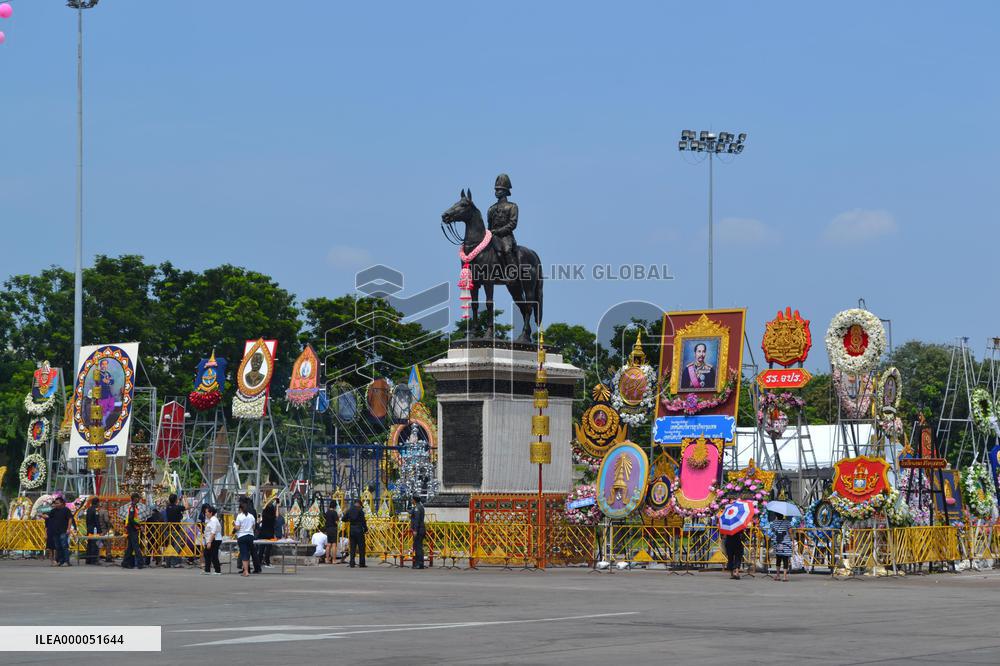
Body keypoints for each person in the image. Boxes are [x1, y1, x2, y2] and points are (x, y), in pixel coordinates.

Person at [487, 173, 519, 271]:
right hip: (493, 236)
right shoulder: (491, 209)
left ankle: (512, 271)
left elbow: (513, 223)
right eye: (496, 189)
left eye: (499, 189)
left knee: (506, 250)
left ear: (505, 191)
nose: (496, 191)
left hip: (506, 236)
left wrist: (499, 231)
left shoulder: (512, 206)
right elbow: (489, 225)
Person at [47, 496, 75, 567]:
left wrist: (68, 529)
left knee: (64, 546)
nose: (56, 504)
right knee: (57, 547)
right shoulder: (53, 511)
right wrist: (41, 515)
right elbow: (48, 517)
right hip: (55, 531)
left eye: (57, 503)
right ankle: (60, 561)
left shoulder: (66, 510)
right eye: (55, 503)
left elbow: (70, 519)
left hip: (63, 531)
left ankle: (66, 561)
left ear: (62, 503)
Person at [122, 493, 145, 569]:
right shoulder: (132, 507)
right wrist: (139, 525)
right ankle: (140, 563)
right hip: (132, 529)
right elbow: (131, 520)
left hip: (133, 528)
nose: (139, 499)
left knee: (130, 548)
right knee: (136, 546)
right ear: (135, 498)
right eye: (138, 498)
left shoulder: (134, 507)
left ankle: (125, 562)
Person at [234, 499, 256, 577]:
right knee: (248, 553)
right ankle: (246, 569)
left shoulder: (239, 516)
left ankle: (246, 571)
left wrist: (234, 526)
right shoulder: (251, 516)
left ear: (241, 509)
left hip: (242, 536)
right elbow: (253, 527)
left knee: (244, 554)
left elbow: (237, 528)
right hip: (250, 536)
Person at [343, 498, 367, 568]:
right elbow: (363, 521)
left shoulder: (349, 510)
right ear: (359, 504)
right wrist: (365, 529)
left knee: (352, 547)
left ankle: (352, 563)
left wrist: (349, 520)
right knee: (361, 547)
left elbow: (343, 519)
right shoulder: (360, 511)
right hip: (359, 530)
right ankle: (362, 563)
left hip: (352, 530)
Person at [771, 513, 794, 582]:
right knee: (785, 560)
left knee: (778, 559)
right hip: (786, 543)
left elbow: (772, 531)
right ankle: (784, 576)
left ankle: (778, 575)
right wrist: (792, 539)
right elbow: (790, 532)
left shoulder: (774, 523)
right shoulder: (787, 522)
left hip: (777, 543)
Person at [165, 493, 184, 568]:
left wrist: (178, 501)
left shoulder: (168, 507)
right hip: (177, 529)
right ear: (176, 500)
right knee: (178, 545)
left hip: (169, 528)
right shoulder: (178, 508)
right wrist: (184, 498)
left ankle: (168, 562)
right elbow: (187, 507)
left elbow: (174, 506)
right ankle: (175, 562)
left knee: (169, 545)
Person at [201, 505, 222, 575]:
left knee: (213, 554)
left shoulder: (213, 520)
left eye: (206, 512)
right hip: (212, 539)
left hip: (215, 539)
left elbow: (213, 532)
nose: (205, 513)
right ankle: (207, 570)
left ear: (211, 512)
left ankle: (217, 570)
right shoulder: (211, 520)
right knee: (207, 553)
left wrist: (209, 542)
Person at [257, 501, 277, 568]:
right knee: (268, 548)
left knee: (261, 548)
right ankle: (267, 561)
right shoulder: (273, 517)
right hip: (270, 533)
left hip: (263, 533)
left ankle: (259, 561)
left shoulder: (264, 514)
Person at [409, 494, 426, 569]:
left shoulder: (417, 508)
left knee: (417, 546)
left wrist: (415, 530)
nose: (411, 500)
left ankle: (419, 564)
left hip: (418, 530)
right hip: (421, 529)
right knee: (419, 546)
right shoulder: (420, 506)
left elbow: (417, 520)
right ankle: (419, 563)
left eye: (412, 499)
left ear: (414, 500)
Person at [84, 498, 101, 565]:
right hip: (95, 529)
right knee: (95, 544)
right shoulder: (96, 510)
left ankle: (88, 559)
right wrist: (99, 530)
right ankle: (94, 560)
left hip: (89, 528)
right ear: (97, 503)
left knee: (89, 544)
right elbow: (97, 521)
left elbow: (87, 520)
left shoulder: (88, 509)